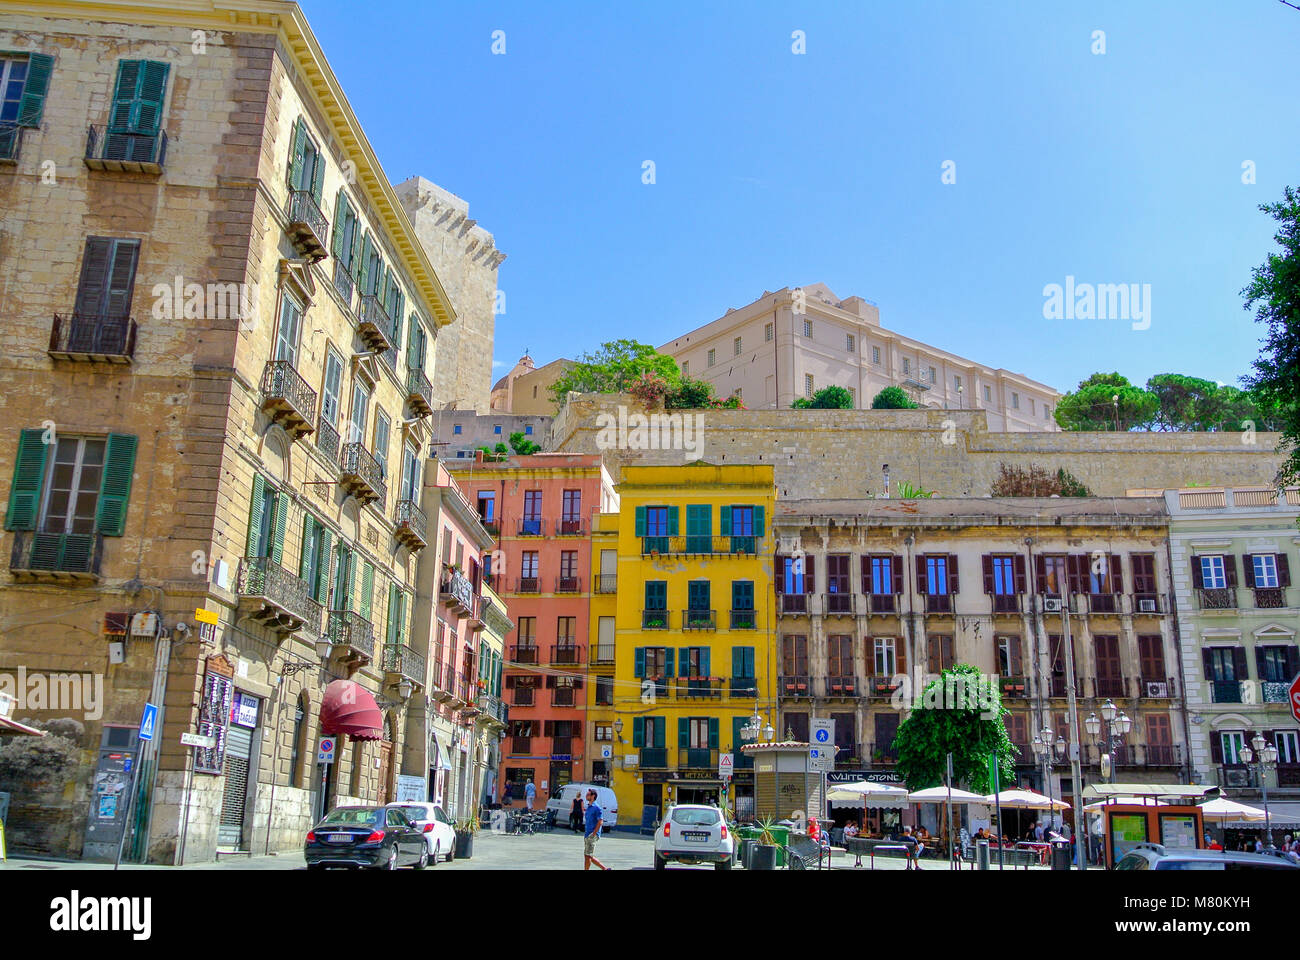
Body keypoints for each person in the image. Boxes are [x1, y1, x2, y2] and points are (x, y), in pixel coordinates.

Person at [582, 788, 610, 871]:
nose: (586, 796)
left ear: (593, 796)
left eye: (588, 794)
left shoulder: (597, 808)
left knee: (587, 856)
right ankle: (605, 869)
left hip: (592, 834)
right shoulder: (589, 807)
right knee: (588, 855)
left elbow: (600, 821)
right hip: (587, 833)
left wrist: (594, 834)